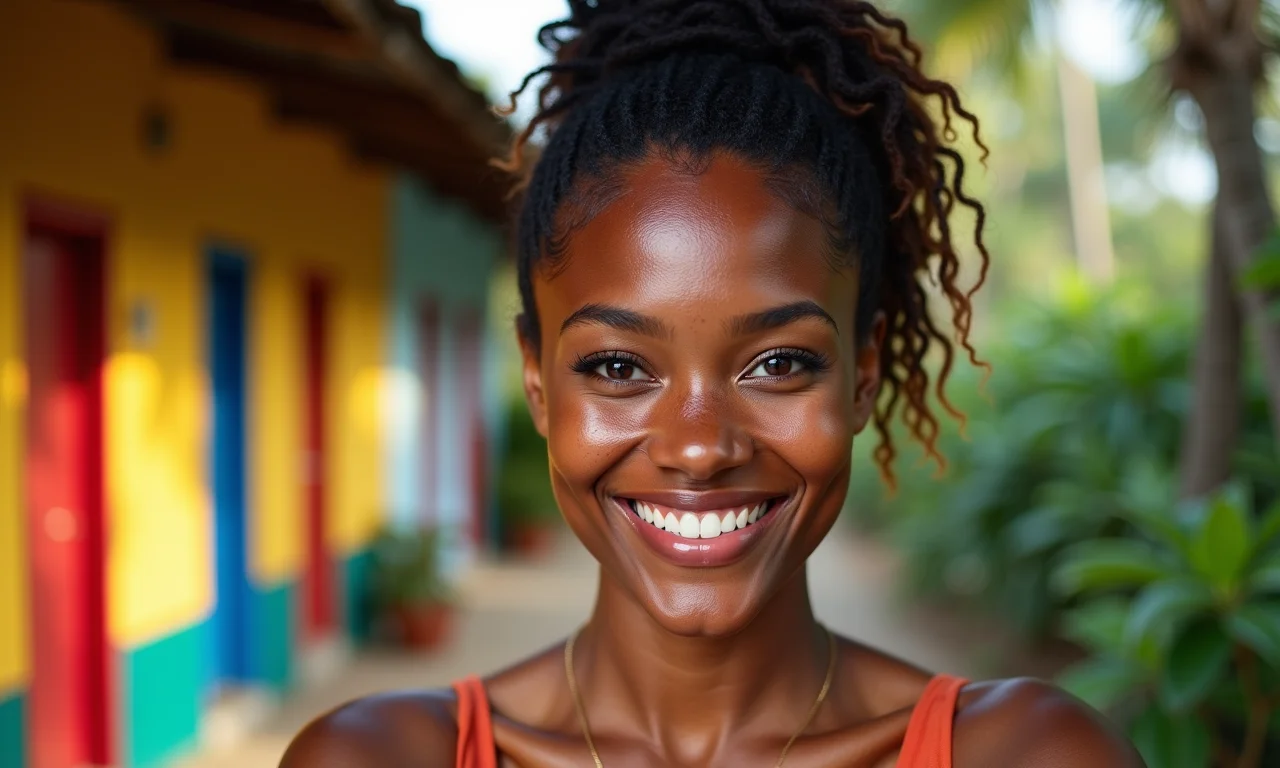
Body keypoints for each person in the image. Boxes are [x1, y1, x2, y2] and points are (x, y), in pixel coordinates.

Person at [281, 1, 1145, 765]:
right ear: (537, 385)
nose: (699, 448)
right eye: (618, 367)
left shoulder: (1029, 754)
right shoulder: (377, 757)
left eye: (779, 363)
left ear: (864, 375)